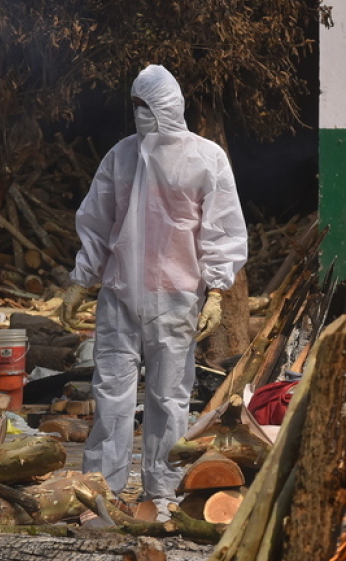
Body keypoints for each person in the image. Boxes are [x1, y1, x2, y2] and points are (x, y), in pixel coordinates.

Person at [60, 65, 248, 516]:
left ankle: (162, 495)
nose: (140, 113)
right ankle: (100, 491)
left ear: (167, 106)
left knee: (169, 399)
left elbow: (222, 230)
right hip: (120, 294)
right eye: (135, 105)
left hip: (176, 296)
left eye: (146, 105)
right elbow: (97, 223)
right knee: (111, 394)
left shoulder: (205, 157)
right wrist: (80, 280)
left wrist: (217, 291)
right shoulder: (120, 156)